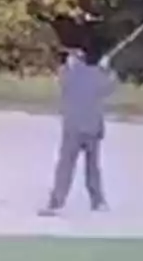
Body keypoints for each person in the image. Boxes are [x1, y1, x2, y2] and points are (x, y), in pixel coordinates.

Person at [39, 43, 116, 216]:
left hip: (73, 128)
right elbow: (111, 85)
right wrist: (106, 68)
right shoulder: (97, 75)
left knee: (65, 166)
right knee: (93, 168)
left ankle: (56, 202)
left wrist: (73, 65)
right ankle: (98, 202)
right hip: (93, 129)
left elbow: (62, 75)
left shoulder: (68, 75)